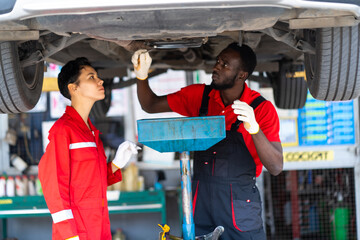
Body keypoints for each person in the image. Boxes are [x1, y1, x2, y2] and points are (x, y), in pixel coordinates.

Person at [132, 43, 283, 240]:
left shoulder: (261, 109)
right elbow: (150, 104)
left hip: (238, 203)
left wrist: (254, 129)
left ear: (241, 75)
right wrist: (141, 76)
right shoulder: (200, 97)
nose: (216, 67)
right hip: (201, 199)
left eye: (225, 64)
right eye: (218, 61)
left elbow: (276, 166)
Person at [38, 57, 139, 240]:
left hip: (98, 225)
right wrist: (69, 235)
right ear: (73, 88)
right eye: (91, 77)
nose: (100, 80)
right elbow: (53, 185)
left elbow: (89, 183)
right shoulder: (63, 130)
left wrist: (116, 164)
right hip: (77, 230)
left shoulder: (90, 132)